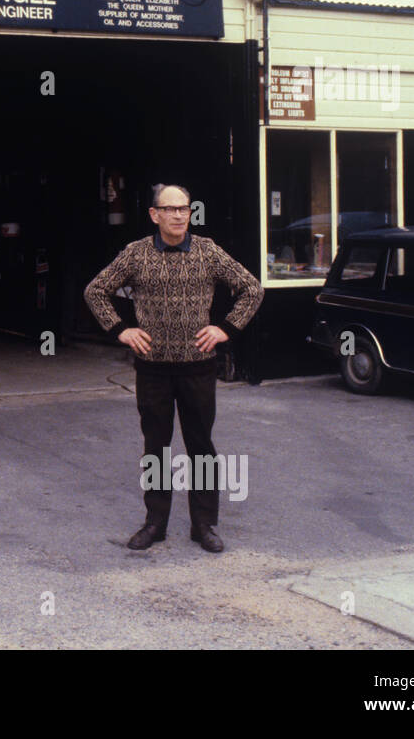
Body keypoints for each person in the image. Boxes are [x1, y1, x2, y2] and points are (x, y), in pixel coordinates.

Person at [84, 184, 262, 553]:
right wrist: (122, 330)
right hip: (152, 369)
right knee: (156, 448)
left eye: (185, 208)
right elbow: (95, 291)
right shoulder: (135, 254)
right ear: (155, 215)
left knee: (201, 447)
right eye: (171, 209)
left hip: (198, 367)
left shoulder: (208, 251)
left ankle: (204, 525)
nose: (180, 215)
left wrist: (225, 329)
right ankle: (155, 523)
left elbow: (251, 288)